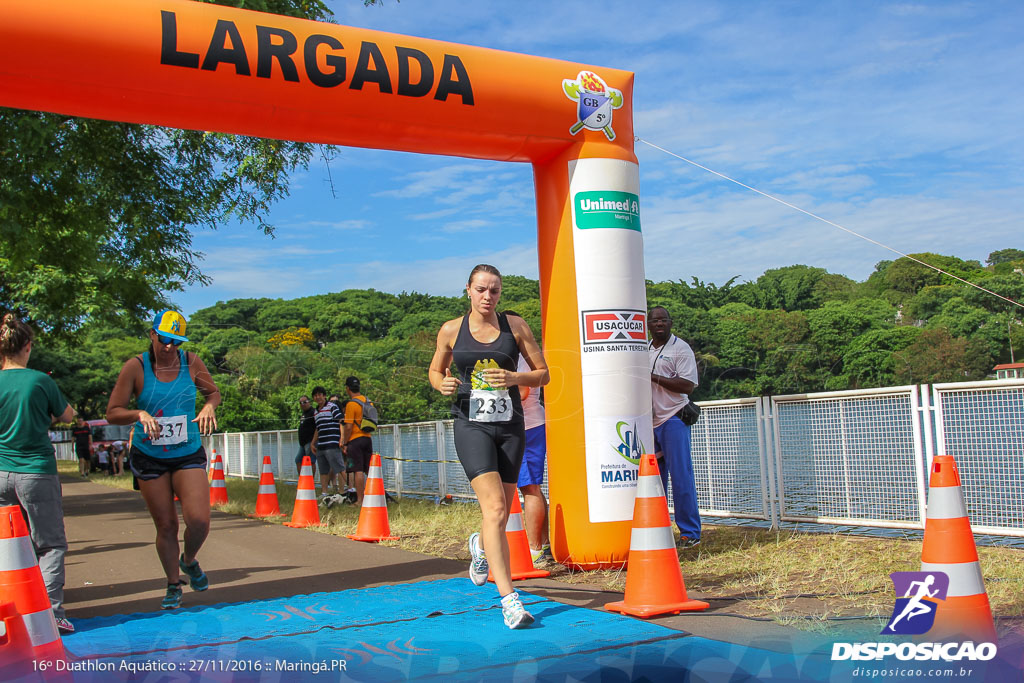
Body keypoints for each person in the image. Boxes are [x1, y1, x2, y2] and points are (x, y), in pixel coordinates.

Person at [428, 264, 549, 629]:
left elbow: (543, 373)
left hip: (511, 426)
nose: (487, 296)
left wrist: (515, 376)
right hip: (471, 425)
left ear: (500, 293)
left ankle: (480, 547)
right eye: (481, 289)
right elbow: (435, 371)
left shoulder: (515, 326)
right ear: (468, 289)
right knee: (496, 508)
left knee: (502, 508)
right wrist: (441, 385)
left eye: (494, 291)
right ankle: (510, 600)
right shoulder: (451, 330)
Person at [106, 309, 220, 609]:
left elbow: (213, 393)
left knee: (199, 520)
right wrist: (139, 414)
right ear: (152, 334)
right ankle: (173, 584)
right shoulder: (136, 367)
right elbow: (113, 411)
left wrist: (209, 406)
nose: (170, 347)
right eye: (165, 339)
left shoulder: (191, 362)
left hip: (186, 451)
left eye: (176, 342)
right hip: (150, 455)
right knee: (166, 525)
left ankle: (189, 559)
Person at [0, 313, 76, 633]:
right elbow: (67, 415)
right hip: (36, 471)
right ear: (27, 347)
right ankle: (49, 614)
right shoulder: (40, 381)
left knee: (7, 544)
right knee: (50, 544)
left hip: (0, 470)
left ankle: (10, 614)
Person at [648, 306, 701, 548]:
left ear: (670, 322)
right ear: (648, 324)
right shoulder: (646, 349)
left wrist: (652, 376)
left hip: (673, 418)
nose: (659, 324)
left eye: (663, 320)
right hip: (650, 422)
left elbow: (688, 385)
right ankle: (661, 531)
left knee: (681, 478)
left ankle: (690, 533)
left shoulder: (680, 348)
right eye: (654, 320)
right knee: (655, 482)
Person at [342, 376, 373, 505]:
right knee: (369, 470)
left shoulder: (351, 404)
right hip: (367, 438)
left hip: (355, 440)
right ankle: (376, 495)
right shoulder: (368, 401)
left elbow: (348, 426)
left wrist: (345, 442)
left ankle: (360, 500)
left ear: (348, 389)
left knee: (358, 470)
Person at [309, 386, 344, 501]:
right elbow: (317, 429)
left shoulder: (332, 407)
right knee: (323, 470)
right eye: (315, 395)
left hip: (332, 443)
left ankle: (346, 490)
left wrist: (342, 439)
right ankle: (324, 492)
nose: (318, 397)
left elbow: (341, 422)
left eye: (320, 394)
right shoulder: (316, 412)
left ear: (324, 396)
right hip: (321, 445)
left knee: (339, 467)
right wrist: (313, 443)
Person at [295, 395, 317, 479]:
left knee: (311, 461)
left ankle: (311, 481)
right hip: (303, 443)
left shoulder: (313, 412)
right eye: (300, 403)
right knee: (298, 460)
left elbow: (317, 427)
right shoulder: (304, 414)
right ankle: (303, 480)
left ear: (309, 402)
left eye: (304, 402)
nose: (302, 404)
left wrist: (313, 442)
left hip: (310, 442)